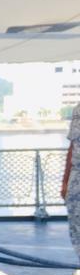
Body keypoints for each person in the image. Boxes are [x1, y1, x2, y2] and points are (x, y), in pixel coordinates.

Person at [62, 104, 80, 260]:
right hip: (77, 174)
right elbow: (72, 146)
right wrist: (65, 181)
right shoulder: (78, 109)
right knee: (75, 222)